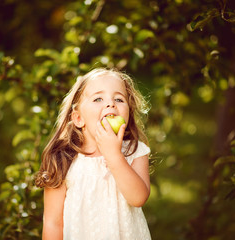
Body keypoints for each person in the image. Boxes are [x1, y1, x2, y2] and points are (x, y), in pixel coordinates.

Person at [35, 67, 152, 240]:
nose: (110, 104)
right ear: (78, 118)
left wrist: (114, 155)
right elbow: (53, 222)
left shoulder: (134, 151)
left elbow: (138, 198)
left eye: (119, 99)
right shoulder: (63, 159)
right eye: (98, 98)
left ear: (129, 112)